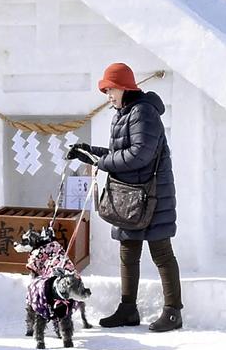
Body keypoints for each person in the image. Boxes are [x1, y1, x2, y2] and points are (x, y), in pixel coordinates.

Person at [67, 63, 182, 332]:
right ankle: (128, 309)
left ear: (124, 87)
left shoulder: (143, 112)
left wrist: (101, 162)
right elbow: (123, 150)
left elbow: (140, 154)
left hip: (151, 196)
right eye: (106, 89)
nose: (107, 94)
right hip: (131, 196)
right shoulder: (125, 112)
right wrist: (90, 151)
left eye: (111, 88)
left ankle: (173, 312)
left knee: (161, 253)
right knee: (128, 251)